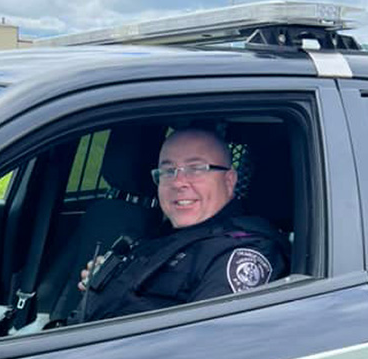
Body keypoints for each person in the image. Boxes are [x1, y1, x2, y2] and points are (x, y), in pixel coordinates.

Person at [67, 128, 289, 324]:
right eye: (168, 171)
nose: (178, 182)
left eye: (196, 169)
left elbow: (204, 346)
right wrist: (106, 281)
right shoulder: (161, 236)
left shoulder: (244, 253)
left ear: (229, 181)